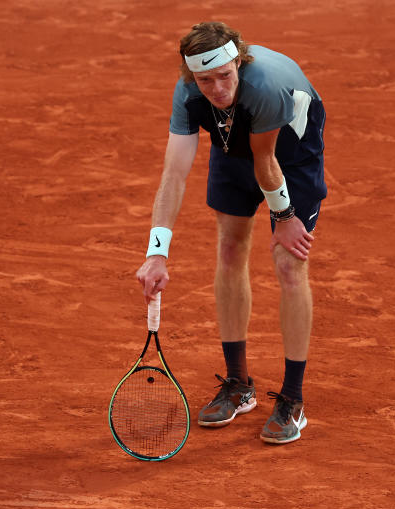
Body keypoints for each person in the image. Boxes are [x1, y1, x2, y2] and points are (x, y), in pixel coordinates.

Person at [135, 21, 326, 445]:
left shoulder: (266, 87)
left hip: (290, 155)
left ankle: (292, 399)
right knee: (228, 248)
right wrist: (157, 251)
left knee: (289, 263)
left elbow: (268, 162)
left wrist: (286, 215)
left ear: (238, 62)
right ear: (192, 78)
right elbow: (174, 173)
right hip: (234, 144)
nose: (217, 87)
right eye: (206, 80)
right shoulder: (188, 95)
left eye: (225, 76)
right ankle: (239, 384)